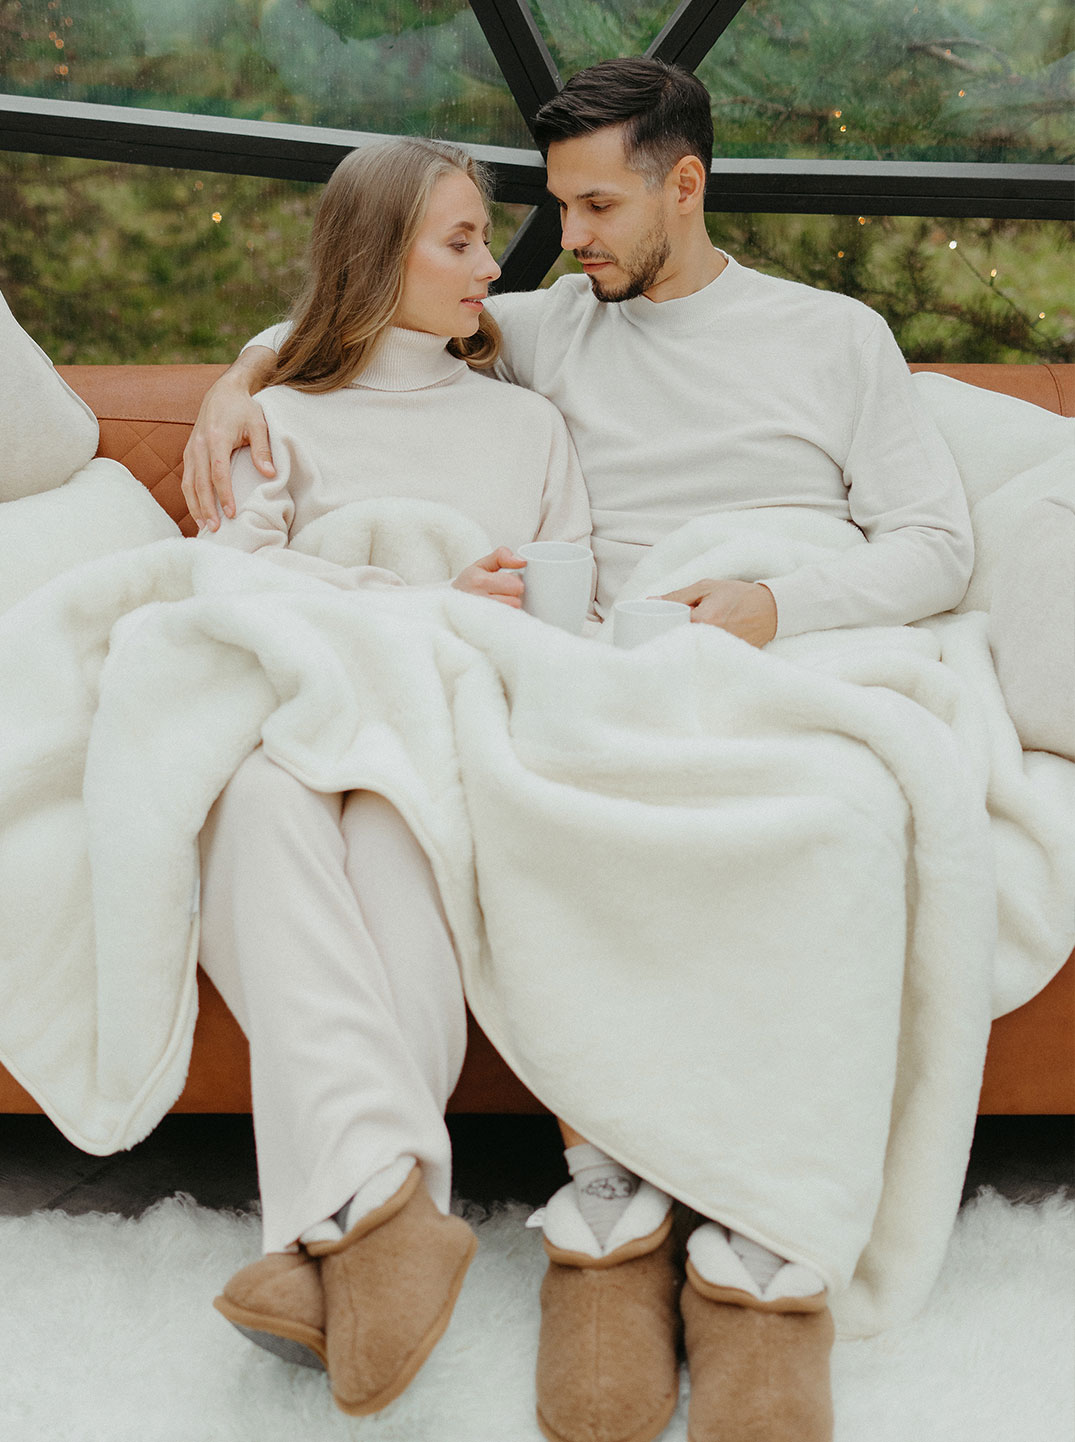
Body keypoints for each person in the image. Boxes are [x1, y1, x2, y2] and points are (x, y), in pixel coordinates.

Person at [182, 58, 973, 1442]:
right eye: (552, 207)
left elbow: (932, 544)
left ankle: (764, 1253)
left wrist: (773, 603)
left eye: (595, 205)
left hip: (784, 635)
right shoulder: (552, 330)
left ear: (684, 183)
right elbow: (363, 297)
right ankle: (614, 1209)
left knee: (843, 811)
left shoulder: (831, 335)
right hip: (612, 656)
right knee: (555, 799)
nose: (567, 237)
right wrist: (237, 380)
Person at [194, 134, 593, 1420]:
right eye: (461, 240)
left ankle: (347, 1218)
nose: (491, 263)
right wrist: (411, 587)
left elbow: (565, 601)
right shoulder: (281, 420)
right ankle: (388, 1205)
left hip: (445, 709)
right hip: (309, 699)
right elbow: (232, 579)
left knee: (390, 829)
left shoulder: (527, 421)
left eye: (486, 236)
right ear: (378, 255)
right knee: (258, 798)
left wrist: (455, 615)